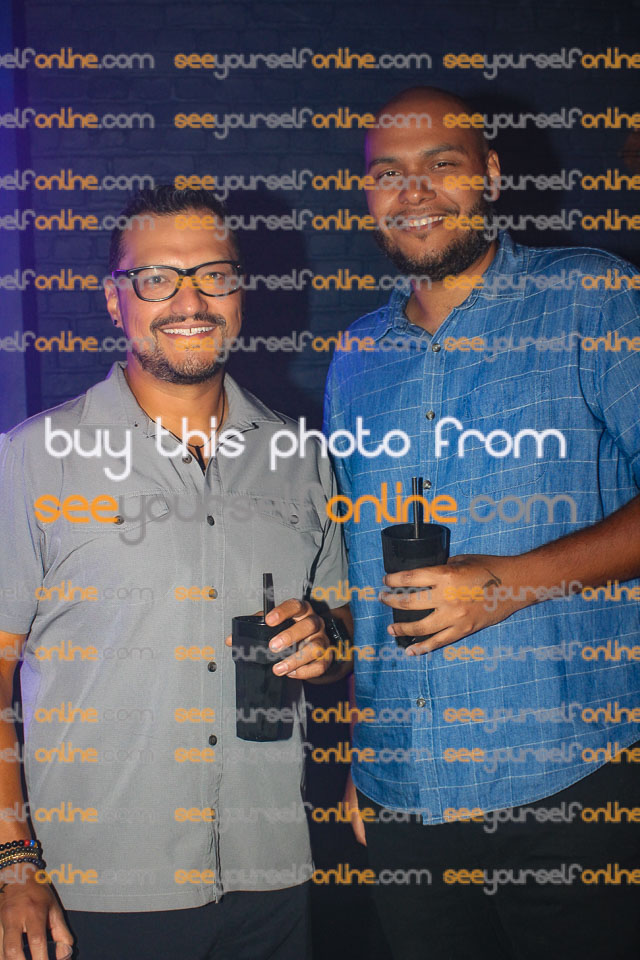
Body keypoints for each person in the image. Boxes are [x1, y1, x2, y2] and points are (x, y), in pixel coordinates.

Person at [323, 86, 640, 960]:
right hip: (403, 794)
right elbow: (362, 575)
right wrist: (361, 751)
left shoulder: (592, 297)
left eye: (442, 164)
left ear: (492, 175)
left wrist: (504, 585)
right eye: (389, 173)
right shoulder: (356, 356)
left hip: (571, 777)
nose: (414, 191)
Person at [0, 185, 350, 960]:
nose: (189, 301)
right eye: (156, 278)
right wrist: (13, 861)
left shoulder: (301, 457)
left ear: (241, 294)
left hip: (274, 877)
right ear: (114, 299)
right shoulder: (32, 460)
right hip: (92, 890)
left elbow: (344, 629)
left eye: (213, 276)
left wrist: (329, 640)